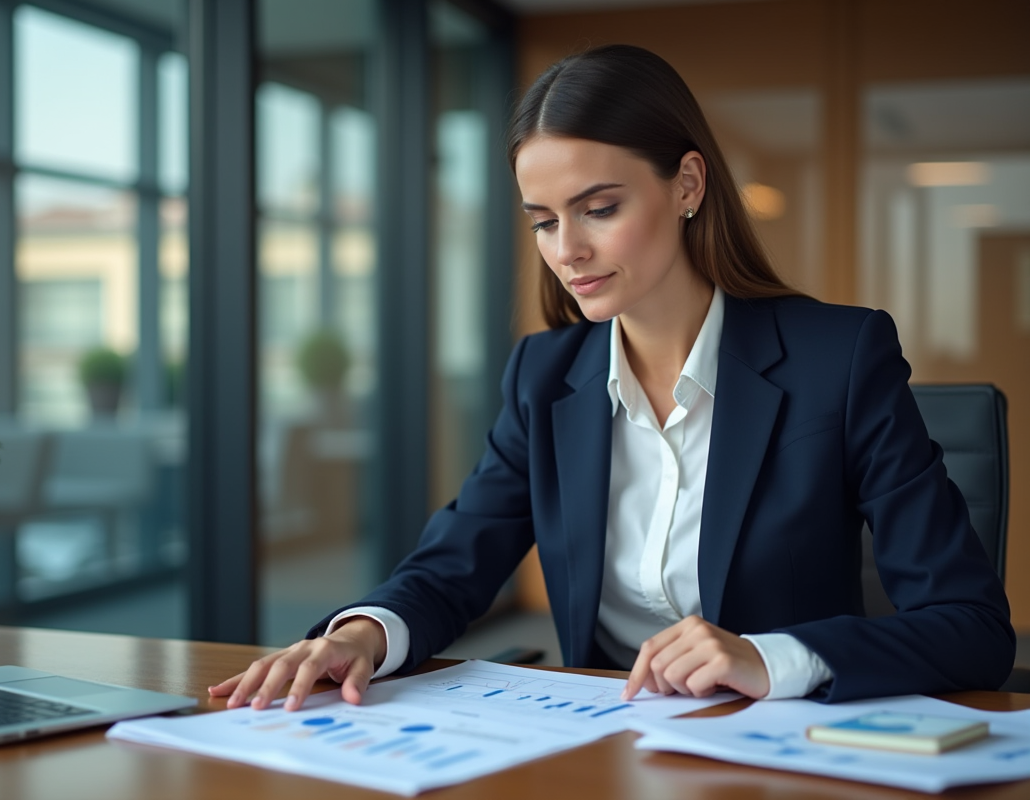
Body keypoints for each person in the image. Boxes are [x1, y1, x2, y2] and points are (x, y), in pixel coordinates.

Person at [211, 44, 1014, 712]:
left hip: (784, 752)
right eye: (544, 220)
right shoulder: (544, 375)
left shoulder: (839, 358)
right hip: (608, 746)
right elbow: (451, 567)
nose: (568, 251)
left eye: (598, 208)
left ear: (688, 186)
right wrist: (359, 636)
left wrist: (768, 658)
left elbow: (971, 626)